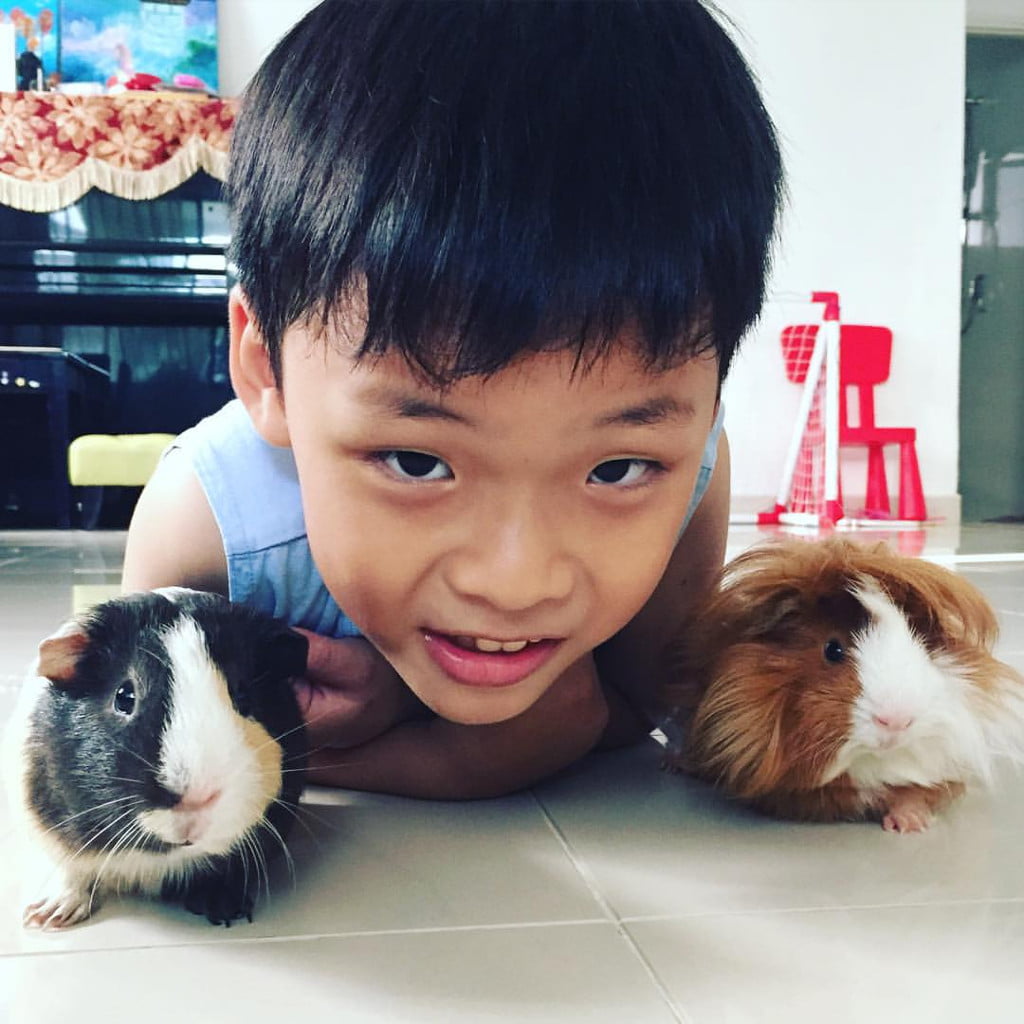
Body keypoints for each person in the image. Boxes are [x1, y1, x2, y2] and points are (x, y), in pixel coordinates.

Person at [122, 0, 783, 799]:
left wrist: (445, 721)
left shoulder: (694, 469)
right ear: (266, 369)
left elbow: (636, 707)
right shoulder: (206, 526)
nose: (514, 582)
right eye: (416, 461)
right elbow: (136, 764)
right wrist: (435, 758)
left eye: (615, 470)